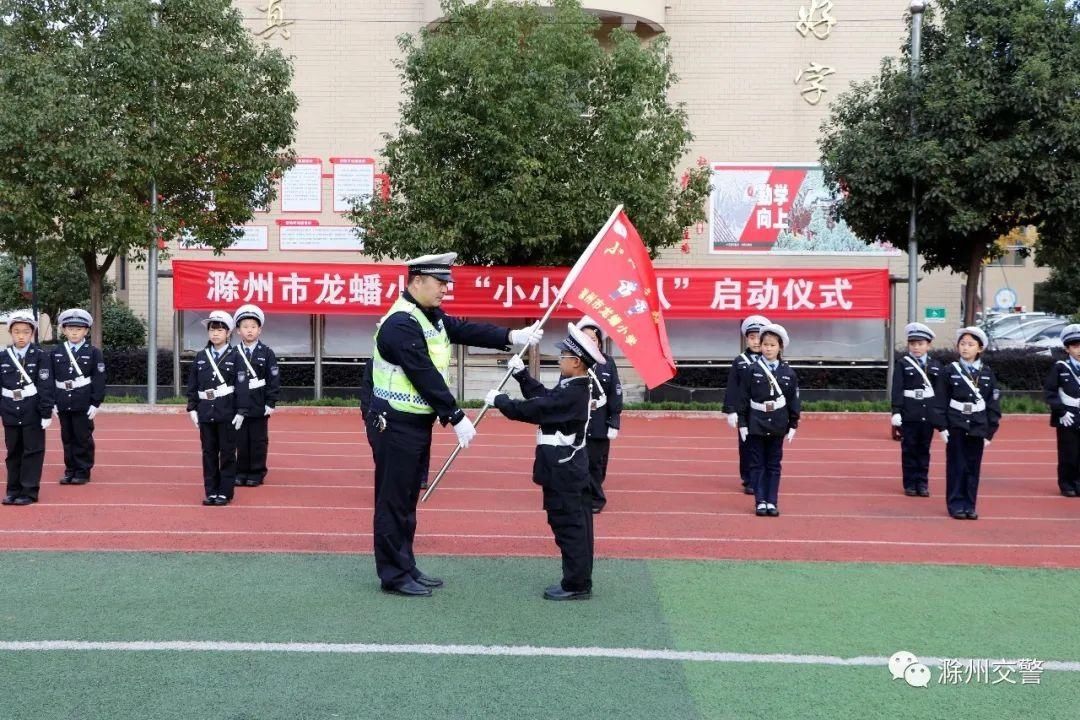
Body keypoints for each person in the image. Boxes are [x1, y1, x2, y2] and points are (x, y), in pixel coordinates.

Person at [367, 252, 543, 597]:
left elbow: (463, 328)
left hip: (415, 423)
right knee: (393, 501)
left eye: (447, 283)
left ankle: (406, 564)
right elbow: (423, 374)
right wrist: (456, 415)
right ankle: (393, 574)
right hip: (394, 423)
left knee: (406, 501)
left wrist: (512, 336)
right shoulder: (400, 323)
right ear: (417, 281)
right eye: (440, 283)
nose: (445, 289)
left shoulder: (429, 316)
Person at [486, 322, 605, 600]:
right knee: (571, 524)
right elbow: (546, 397)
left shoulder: (576, 391)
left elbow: (540, 409)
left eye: (564, 355)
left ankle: (576, 584)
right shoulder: (573, 385)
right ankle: (577, 579)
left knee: (569, 526)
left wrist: (502, 401)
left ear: (576, 362)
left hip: (564, 470)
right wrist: (522, 376)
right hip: (563, 469)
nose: (560, 358)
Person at [935, 326, 1001, 520]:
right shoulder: (949, 371)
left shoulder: (987, 374)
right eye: (962, 344)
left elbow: (993, 405)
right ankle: (955, 504)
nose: (965, 348)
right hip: (956, 423)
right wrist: (942, 427)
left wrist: (990, 432)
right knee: (956, 466)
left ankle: (969, 505)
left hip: (978, 425)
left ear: (980, 349)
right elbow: (940, 400)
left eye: (971, 344)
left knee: (973, 467)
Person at [186, 310, 249, 506]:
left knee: (228, 453)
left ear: (229, 333)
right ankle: (211, 491)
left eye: (220, 330)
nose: (215, 334)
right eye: (212, 329)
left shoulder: (236, 356)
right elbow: (193, 385)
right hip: (206, 411)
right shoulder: (201, 356)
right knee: (208, 453)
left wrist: (241, 411)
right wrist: (192, 408)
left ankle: (225, 492)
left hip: (227, 411)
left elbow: (242, 386)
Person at [737, 323, 800, 518]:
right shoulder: (752, 370)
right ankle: (760, 501)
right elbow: (743, 398)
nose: (768, 348)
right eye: (765, 344)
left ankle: (772, 501)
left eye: (772, 345)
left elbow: (793, 400)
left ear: (780, 347)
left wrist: (793, 424)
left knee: (774, 464)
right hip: (756, 422)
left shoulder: (788, 373)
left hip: (778, 423)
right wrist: (742, 423)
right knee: (757, 464)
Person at [2, 312, 54, 506]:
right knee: (13, 452)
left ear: (32, 333)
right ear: (11, 333)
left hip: (32, 409)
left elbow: (45, 384)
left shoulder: (41, 356)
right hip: (9, 409)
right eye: (16, 332)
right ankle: (13, 490)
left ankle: (29, 491)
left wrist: (46, 411)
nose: (21, 336)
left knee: (32, 451)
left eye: (25, 331)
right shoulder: (3, 356)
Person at [50, 308, 106, 486]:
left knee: (82, 437)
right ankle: (70, 470)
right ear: (64, 330)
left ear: (86, 331)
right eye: (70, 328)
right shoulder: (56, 351)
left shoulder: (93, 352)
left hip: (83, 400)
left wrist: (95, 402)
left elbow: (99, 379)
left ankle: (82, 471)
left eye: (79, 329)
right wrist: (52, 402)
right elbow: (51, 378)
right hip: (63, 400)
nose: (74, 332)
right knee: (67, 437)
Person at [889, 322, 944, 497]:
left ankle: (922, 483)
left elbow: (940, 393)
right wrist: (896, 411)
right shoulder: (903, 364)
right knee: (909, 449)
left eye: (920, 344)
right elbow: (897, 388)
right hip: (909, 412)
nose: (916, 347)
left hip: (927, 414)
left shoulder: (936, 365)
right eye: (913, 344)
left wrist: (940, 417)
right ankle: (910, 484)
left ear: (928, 345)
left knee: (924, 450)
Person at [576, 316, 623, 514]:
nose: (590, 342)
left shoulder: (608, 363)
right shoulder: (574, 360)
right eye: (585, 338)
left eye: (593, 339)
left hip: (600, 420)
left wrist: (614, 421)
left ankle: (594, 492)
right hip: (578, 419)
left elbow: (615, 392)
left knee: (597, 462)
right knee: (580, 461)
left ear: (599, 342)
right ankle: (595, 499)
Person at [231, 304, 281, 487]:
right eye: (245, 327)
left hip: (259, 403)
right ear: (238, 331)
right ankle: (241, 471)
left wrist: (271, 401)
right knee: (240, 440)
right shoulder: (233, 353)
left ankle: (256, 472)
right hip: (238, 406)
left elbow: (273, 378)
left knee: (258, 440)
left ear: (260, 330)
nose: (249, 330)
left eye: (253, 327)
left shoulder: (267, 353)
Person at [723, 315, 770, 495]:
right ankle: (749, 478)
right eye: (752, 337)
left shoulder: (773, 361)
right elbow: (732, 387)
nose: (756, 341)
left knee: (766, 445)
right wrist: (731, 410)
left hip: (767, 413)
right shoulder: (740, 361)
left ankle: (763, 476)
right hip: (746, 413)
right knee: (747, 446)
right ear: (746, 339)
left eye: (759, 337)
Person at [1043, 324, 1080, 497]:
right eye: (1075, 346)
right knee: (1068, 453)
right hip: (1067, 416)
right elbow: (1050, 392)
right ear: (1067, 348)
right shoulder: (1060, 367)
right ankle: (1067, 484)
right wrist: (1061, 411)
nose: (1079, 350)